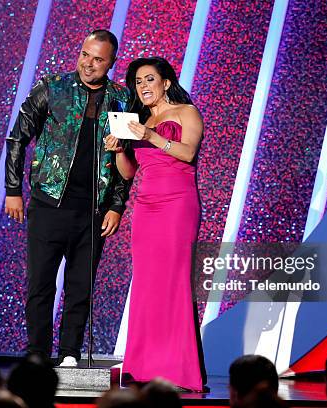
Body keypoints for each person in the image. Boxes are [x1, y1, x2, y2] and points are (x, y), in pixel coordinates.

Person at [4, 29, 131, 367]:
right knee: (41, 282)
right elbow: (17, 138)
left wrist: (117, 205)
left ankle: (70, 352)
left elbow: (126, 158)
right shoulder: (52, 87)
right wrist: (13, 190)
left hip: (94, 209)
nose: (89, 63)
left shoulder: (122, 98)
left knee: (80, 286)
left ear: (111, 62)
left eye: (98, 59)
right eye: (85, 54)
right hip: (49, 202)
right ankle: (36, 352)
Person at [105, 56, 205, 391]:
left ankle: (177, 369)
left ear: (165, 82)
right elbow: (129, 173)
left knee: (173, 282)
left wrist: (151, 136)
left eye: (150, 79)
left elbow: (188, 152)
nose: (143, 87)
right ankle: (143, 364)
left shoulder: (186, 111)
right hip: (145, 207)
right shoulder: (140, 120)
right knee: (148, 284)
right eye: (138, 82)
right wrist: (119, 150)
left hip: (177, 204)